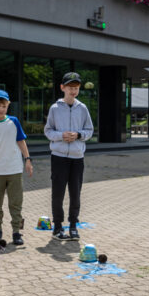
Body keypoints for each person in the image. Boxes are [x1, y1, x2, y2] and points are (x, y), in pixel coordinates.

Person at [44, 72, 93, 241]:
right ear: (62, 88)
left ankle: (73, 226)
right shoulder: (55, 108)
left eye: (76, 88)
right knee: (58, 193)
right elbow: (48, 130)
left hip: (77, 157)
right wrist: (61, 136)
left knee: (75, 193)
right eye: (70, 88)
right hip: (58, 157)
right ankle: (57, 227)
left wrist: (78, 135)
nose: (73, 91)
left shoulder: (83, 108)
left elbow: (90, 130)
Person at [0, 89, 32, 246]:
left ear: (8, 105)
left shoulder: (14, 122)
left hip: (15, 170)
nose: (1, 108)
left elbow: (21, 142)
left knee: (16, 203)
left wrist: (27, 159)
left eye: (3, 105)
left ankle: (16, 232)